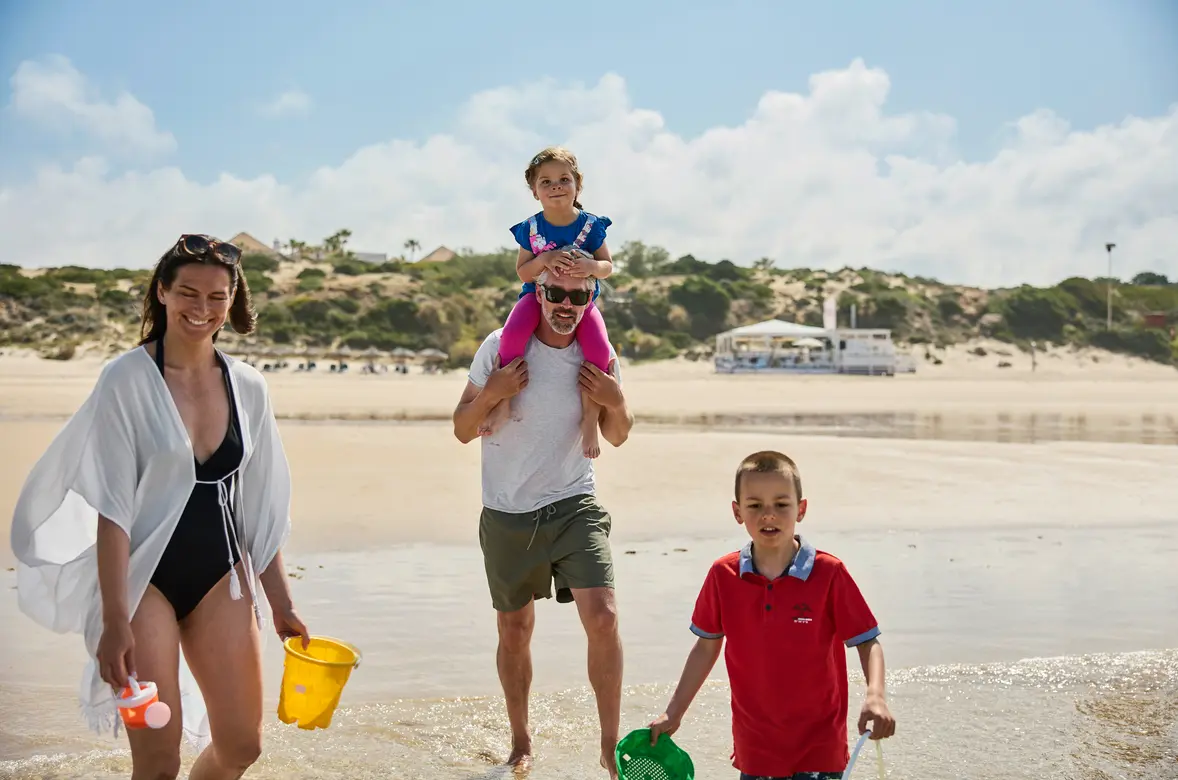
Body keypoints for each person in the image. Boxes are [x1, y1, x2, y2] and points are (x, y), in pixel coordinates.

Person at [9, 234, 309, 780]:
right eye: (188, 293)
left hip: (223, 577)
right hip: (143, 580)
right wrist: (114, 621)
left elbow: (262, 508)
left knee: (242, 746)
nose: (202, 309)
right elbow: (113, 508)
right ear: (163, 293)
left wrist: (283, 604)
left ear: (232, 299)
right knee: (156, 757)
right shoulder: (125, 380)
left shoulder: (249, 387)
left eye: (216, 297)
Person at [452, 268, 634, 777]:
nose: (566, 303)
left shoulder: (599, 352)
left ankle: (609, 746)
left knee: (604, 617)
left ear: (590, 298)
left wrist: (616, 401)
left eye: (579, 295)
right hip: (508, 510)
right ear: (538, 292)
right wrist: (493, 391)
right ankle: (520, 740)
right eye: (555, 292)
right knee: (515, 628)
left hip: (575, 501)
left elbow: (618, 435)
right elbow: (463, 429)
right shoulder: (500, 346)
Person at [648, 450, 896, 780]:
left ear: (801, 509)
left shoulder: (828, 573)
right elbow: (706, 647)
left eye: (781, 504)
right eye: (755, 506)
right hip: (756, 748)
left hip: (819, 748)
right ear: (737, 512)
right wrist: (673, 713)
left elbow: (868, 642)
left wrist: (876, 697)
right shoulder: (723, 575)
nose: (769, 515)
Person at [479, 145, 615, 460]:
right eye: (546, 182)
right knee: (511, 336)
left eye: (564, 179)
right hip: (536, 298)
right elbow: (523, 273)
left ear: (578, 184)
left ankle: (590, 418)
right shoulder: (531, 229)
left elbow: (608, 267)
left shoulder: (591, 226)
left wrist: (591, 268)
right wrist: (545, 258)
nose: (556, 187)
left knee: (598, 351)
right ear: (534, 191)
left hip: (582, 302)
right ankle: (505, 402)